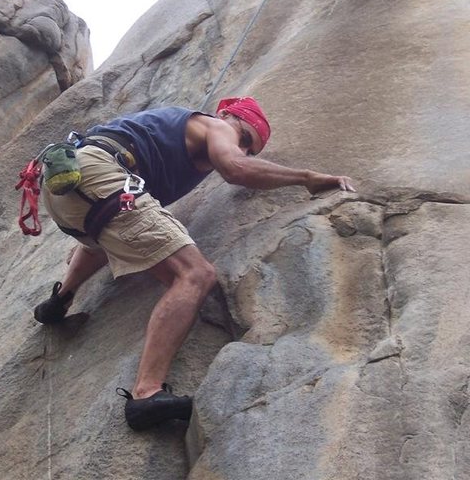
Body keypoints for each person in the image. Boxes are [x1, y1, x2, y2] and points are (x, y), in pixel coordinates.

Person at [34, 97, 355, 430]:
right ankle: (147, 393)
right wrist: (307, 177)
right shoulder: (213, 125)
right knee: (196, 274)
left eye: (251, 151)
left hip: (69, 194)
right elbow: (235, 168)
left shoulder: (171, 142)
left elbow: (117, 224)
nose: (242, 150)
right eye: (244, 138)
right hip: (99, 175)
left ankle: (60, 299)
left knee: (114, 231)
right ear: (227, 115)